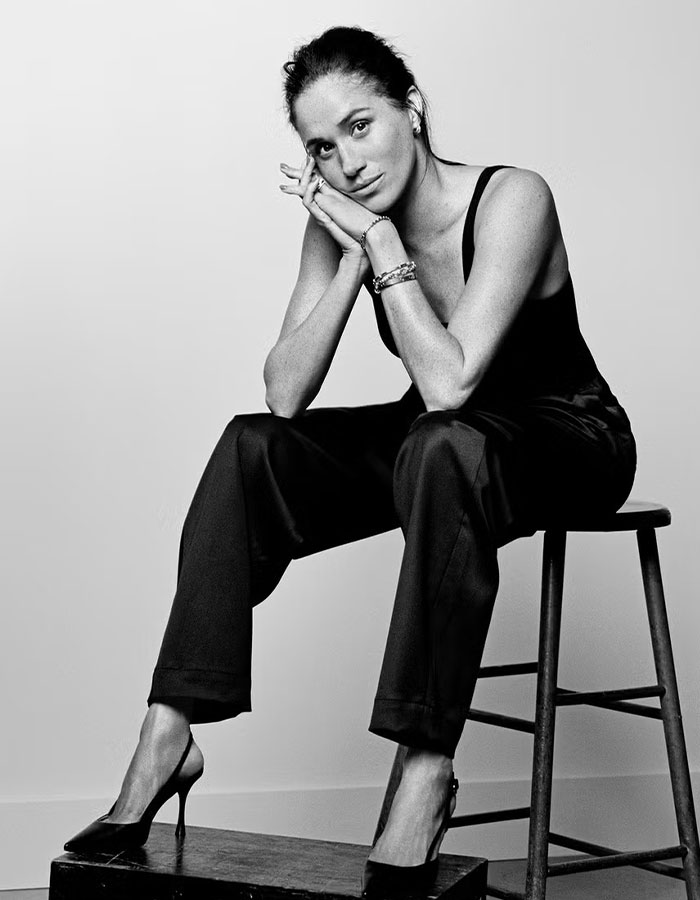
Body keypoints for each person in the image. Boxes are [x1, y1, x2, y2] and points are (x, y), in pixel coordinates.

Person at [64, 25, 636, 898]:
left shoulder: (514, 196)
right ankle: (167, 732)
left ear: (412, 108)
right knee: (249, 449)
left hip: (567, 432)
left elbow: (449, 383)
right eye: (321, 148)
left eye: (360, 127)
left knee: (443, 442)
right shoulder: (346, 217)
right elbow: (283, 396)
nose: (347, 162)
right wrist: (346, 255)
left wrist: (386, 251)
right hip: (444, 444)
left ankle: (424, 766)